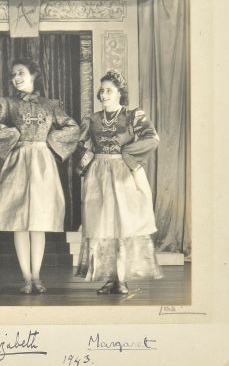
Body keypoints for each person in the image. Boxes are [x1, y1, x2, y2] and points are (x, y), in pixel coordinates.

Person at [0, 58, 79, 294]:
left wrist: (50, 142)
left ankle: (37, 276)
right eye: (13, 74)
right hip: (18, 163)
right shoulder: (6, 103)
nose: (16, 78)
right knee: (19, 223)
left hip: (43, 164)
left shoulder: (51, 104)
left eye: (21, 73)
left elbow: (72, 127)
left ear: (34, 75)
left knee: (39, 223)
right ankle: (26, 277)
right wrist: (13, 135)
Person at [75, 70, 162, 294]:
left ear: (120, 93)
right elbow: (79, 144)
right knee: (104, 227)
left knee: (124, 226)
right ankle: (110, 278)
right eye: (102, 90)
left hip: (125, 175)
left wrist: (127, 154)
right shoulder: (91, 119)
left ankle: (122, 278)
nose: (104, 94)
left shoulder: (133, 115)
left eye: (109, 90)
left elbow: (152, 138)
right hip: (99, 177)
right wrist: (88, 161)